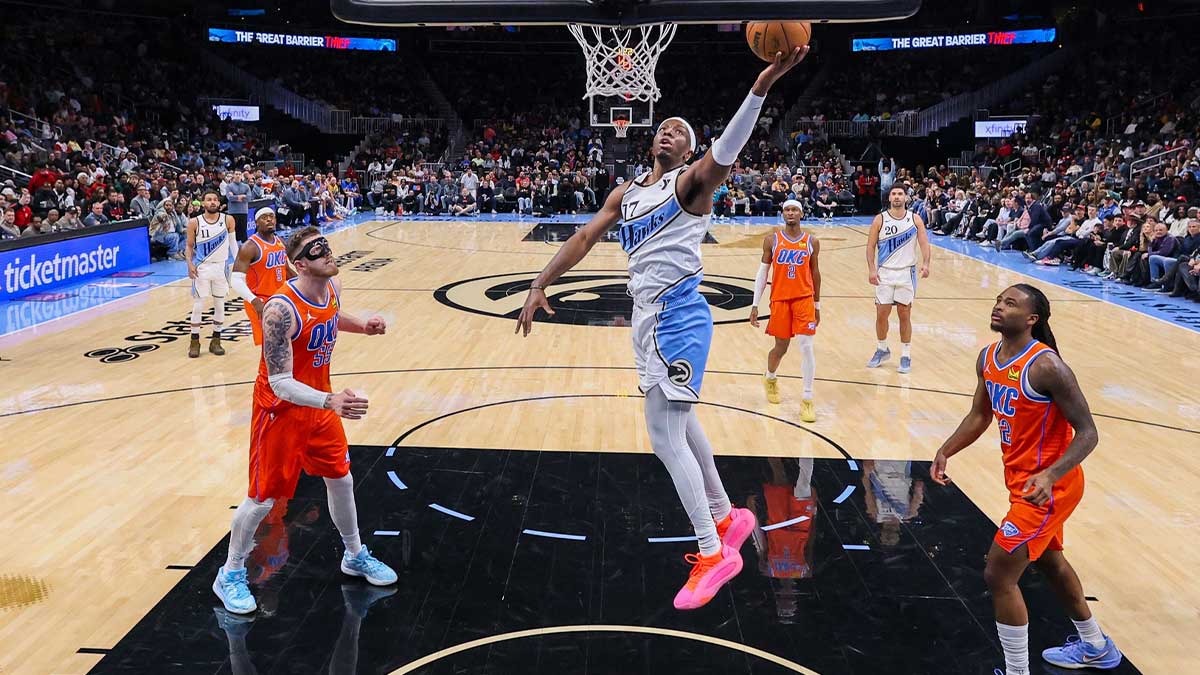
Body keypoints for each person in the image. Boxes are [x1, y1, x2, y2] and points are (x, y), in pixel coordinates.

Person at [516, 46, 809, 611]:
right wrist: (539, 281)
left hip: (678, 314)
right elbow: (581, 239)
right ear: (653, 140)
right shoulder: (628, 195)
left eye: (682, 131)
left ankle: (711, 551)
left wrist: (762, 85)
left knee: (662, 433)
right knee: (681, 417)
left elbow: (726, 151)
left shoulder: (691, 185)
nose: (670, 132)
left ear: (691, 149)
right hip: (646, 319)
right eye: (665, 128)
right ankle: (728, 517)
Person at [930, 284, 1124, 674]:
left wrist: (1050, 475)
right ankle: (1096, 646)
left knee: (998, 573)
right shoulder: (988, 356)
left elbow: (1088, 433)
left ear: (1032, 319)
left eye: (1011, 303)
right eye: (999, 300)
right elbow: (980, 415)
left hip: (1049, 488)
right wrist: (946, 450)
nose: (999, 306)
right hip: (1023, 483)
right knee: (1051, 563)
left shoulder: (1047, 366)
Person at [212, 226, 397, 615]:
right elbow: (279, 382)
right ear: (300, 265)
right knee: (262, 499)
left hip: (319, 405)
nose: (328, 254)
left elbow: (330, 315)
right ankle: (229, 573)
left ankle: (354, 554)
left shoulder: (331, 287)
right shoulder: (280, 310)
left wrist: (362, 325)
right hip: (279, 412)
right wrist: (330, 400)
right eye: (318, 251)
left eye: (326, 247)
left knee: (341, 478)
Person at [749, 200, 821, 422]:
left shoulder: (811, 241)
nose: (791, 213)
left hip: (803, 299)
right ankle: (770, 377)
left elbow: (816, 274)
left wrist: (817, 305)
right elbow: (762, 274)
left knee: (807, 347)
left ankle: (807, 400)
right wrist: (754, 304)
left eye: (794, 210)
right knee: (780, 348)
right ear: (783, 214)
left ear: (801, 213)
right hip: (779, 300)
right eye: (787, 210)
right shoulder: (772, 240)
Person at [866, 185, 931, 373]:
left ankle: (906, 354)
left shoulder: (915, 219)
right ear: (889, 198)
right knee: (881, 314)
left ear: (906, 197)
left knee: (904, 314)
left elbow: (925, 243)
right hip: (884, 272)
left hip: (906, 273)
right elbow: (870, 247)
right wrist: (871, 270)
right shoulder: (880, 219)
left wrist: (926, 264)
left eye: (900, 194)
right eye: (894, 194)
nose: (896, 197)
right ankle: (882, 348)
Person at [185, 191, 239, 358]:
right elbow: (189, 246)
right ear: (203, 203)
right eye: (209, 199)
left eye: (215, 199)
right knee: (199, 304)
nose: (213, 202)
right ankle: (194, 341)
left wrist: (239, 265)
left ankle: (216, 340)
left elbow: (233, 244)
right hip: (202, 267)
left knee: (220, 303)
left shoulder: (228, 219)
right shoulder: (194, 222)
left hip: (221, 267)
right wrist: (189, 264)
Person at [230, 208, 294, 346]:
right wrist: (254, 300)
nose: (269, 219)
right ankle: (265, 369)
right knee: (270, 347)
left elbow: (286, 270)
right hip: (260, 301)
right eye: (264, 217)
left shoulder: (279, 241)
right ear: (256, 223)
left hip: (280, 299)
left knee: (283, 346)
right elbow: (235, 279)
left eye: (272, 216)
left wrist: (305, 286)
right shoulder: (249, 247)